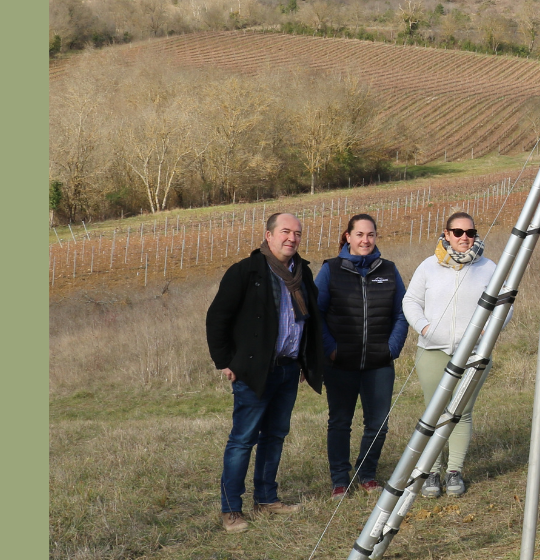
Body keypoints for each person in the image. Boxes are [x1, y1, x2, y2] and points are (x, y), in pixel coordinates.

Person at [206, 212, 324, 533]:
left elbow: (309, 320)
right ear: (269, 236)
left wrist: (305, 360)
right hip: (254, 373)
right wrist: (226, 361)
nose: (292, 238)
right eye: (285, 232)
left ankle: (266, 499)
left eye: (297, 233)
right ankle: (232, 509)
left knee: (275, 436)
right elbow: (218, 318)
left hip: (287, 371)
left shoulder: (302, 273)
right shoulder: (246, 272)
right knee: (243, 440)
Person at [403, 212, 502, 498]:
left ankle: (454, 470)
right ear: (445, 234)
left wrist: (489, 332)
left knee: (461, 412)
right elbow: (410, 300)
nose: (464, 238)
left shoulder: (489, 267)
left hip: (474, 354)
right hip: (432, 351)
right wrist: (424, 327)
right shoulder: (428, 266)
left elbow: (503, 306)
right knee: (434, 411)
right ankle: (431, 470)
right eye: (457, 232)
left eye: (470, 232)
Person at [315, 214, 407, 500]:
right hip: (340, 362)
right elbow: (316, 314)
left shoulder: (389, 270)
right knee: (340, 421)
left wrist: (391, 348)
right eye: (359, 235)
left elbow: (402, 313)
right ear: (348, 237)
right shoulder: (330, 270)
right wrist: (331, 349)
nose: (365, 240)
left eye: (370, 235)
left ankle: (366, 474)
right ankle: (340, 481)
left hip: (379, 363)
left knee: (378, 424)